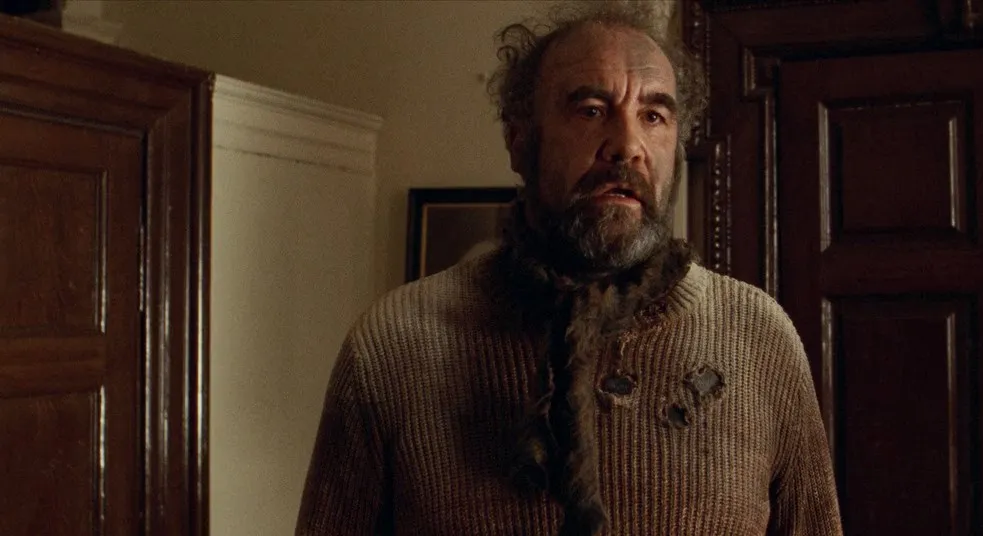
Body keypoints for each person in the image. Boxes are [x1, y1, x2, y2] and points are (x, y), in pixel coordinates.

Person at [296, 4, 842, 535]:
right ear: (519, 139)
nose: (627, 146)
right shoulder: (393, 346)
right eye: (591, 111)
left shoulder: (760, 339)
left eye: (653, 116)